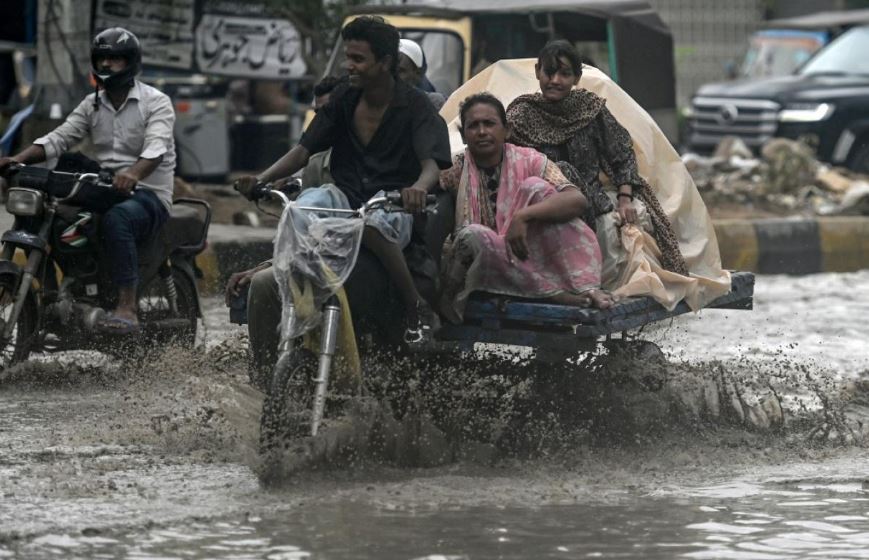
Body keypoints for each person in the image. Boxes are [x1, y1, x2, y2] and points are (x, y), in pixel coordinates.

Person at [230, 16, 451, 379]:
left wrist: (418, 189)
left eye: (359, 59)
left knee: (374, 225)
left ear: (384, 62)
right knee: (303, 206)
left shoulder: (416, 107)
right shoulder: (344, 100)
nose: (349, 66)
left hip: (391, 202)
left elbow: (431, 165)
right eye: (347, 57)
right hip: (344, 197)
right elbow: (303, 151)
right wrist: (261, 179)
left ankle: (415, 309)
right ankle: (288, 303)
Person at [0, 27, 176, 335]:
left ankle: (126, 306)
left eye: (115, 59)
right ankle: (51, 295)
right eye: (102, 59)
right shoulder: (91, 103)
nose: (107, 65)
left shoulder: (156, 102)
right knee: (44, 212)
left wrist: (133, 174)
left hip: (147, 194)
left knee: (118, 219)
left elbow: (157, 148)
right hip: (104, 186)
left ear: (130, 62)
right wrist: (19, 159)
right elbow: (59, 138)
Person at [505, 40, 688, 287]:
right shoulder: (521, 115)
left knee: (610, 253)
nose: (555, 80)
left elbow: (622, 152)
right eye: (549, 72)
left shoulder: (590, 109)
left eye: (565, 73)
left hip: (592, 202)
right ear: (538, 71)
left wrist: (624, 199)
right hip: (540, 205)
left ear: (577, 77)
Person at [437, 93, 613, 323]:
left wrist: (523, 216)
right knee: (471, 235)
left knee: (536, 188)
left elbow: (576, 200)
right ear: (463, 134)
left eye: (489, 124)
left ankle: (580, 288)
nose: (482, 132)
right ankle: (554, 294)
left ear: (506, 130)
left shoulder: (530, 160)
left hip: (531, 255)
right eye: (473, 126)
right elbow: (428, 185)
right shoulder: (455, 169)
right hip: (490, 261)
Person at [397, 38, 446, 110]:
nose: (393, 75)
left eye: (400, 71)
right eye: (391, 69)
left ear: (418, 73)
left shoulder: (434, 103)